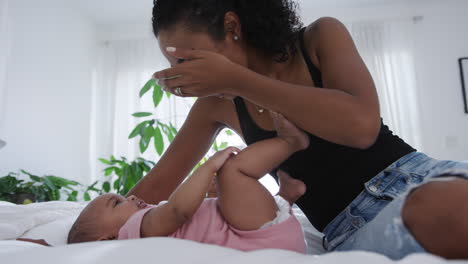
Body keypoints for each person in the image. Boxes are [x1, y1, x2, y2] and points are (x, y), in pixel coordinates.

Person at [128, 0, 468, 259]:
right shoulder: (215, 105)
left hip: (426, 172)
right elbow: (151, 190)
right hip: (353, 225)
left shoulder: (321, 36)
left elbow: (362, 128)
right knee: (444, 206)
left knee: (450, 197)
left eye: (187, 61)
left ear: (233, 26)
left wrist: (238, 80)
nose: (181, 73)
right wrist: (94, 226)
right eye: (173, 65)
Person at [67, 113, 308, 253]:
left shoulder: (150, 227)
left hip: (265, 236)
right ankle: (291, 142)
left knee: (225, 190)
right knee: (232, 171)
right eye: (117, 203)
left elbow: (193, 219)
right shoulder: (135, 232)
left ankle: (285, 197)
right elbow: (178, 209)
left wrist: (210, 197)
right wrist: (209, 166)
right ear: (107, 239)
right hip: (258, 236)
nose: (129, 196)